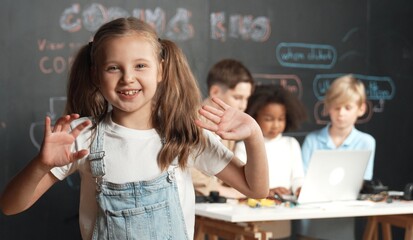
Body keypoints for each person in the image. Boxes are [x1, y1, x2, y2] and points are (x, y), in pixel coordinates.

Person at [0, 17, 269, 240]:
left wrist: (254, 136)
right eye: (113, 68)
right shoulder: (82, 137)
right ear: (95, 75)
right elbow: (10, 206)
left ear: (161, 70)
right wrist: (40, 164)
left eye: (140, 65)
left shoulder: (185, 135)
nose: (128, 78)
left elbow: (255, 189)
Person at [296, 75, 376, 240]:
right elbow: (301, 179)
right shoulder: (312, 140)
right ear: (328, 108)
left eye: (348, 107)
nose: (341, 114)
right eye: (336, 107)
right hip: (310, 222)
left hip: (344, 222)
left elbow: (363, 181)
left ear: (361, 109)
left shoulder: (366, 142)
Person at [234, 85, 307, 240]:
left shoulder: (291, 144)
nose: (276, 125)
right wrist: (267, 191)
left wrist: (300, 188)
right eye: (268, 119)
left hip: (282, 215)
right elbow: (239, 186)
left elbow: (297, 177)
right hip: (251, 216)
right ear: (254, 116)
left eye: (281, 119)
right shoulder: (243, 146)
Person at [191, 58, 255, 199]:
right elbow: (184, 165)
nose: (243, 106)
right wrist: (220, 190)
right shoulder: (189, 120)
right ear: (215, 92)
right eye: (237, 97)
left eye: (246, 98)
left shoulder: (228, 125)